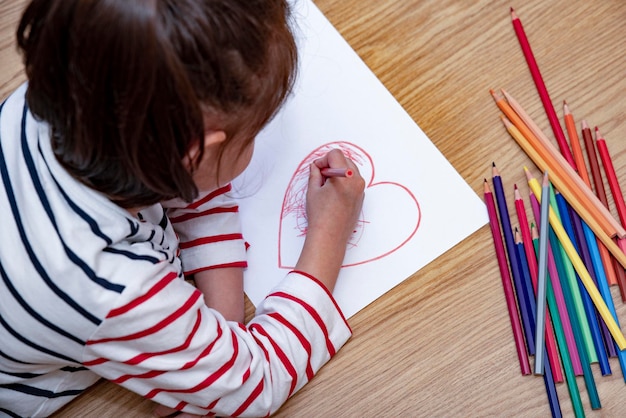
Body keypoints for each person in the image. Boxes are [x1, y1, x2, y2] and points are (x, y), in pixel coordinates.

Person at [0, 0, 365, 416]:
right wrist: (329, 234)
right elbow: (254, 384)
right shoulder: (115, 291)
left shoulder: (72, 84)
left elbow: (190, 184)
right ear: (194, 153)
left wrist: (216, 336)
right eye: (251, 136)